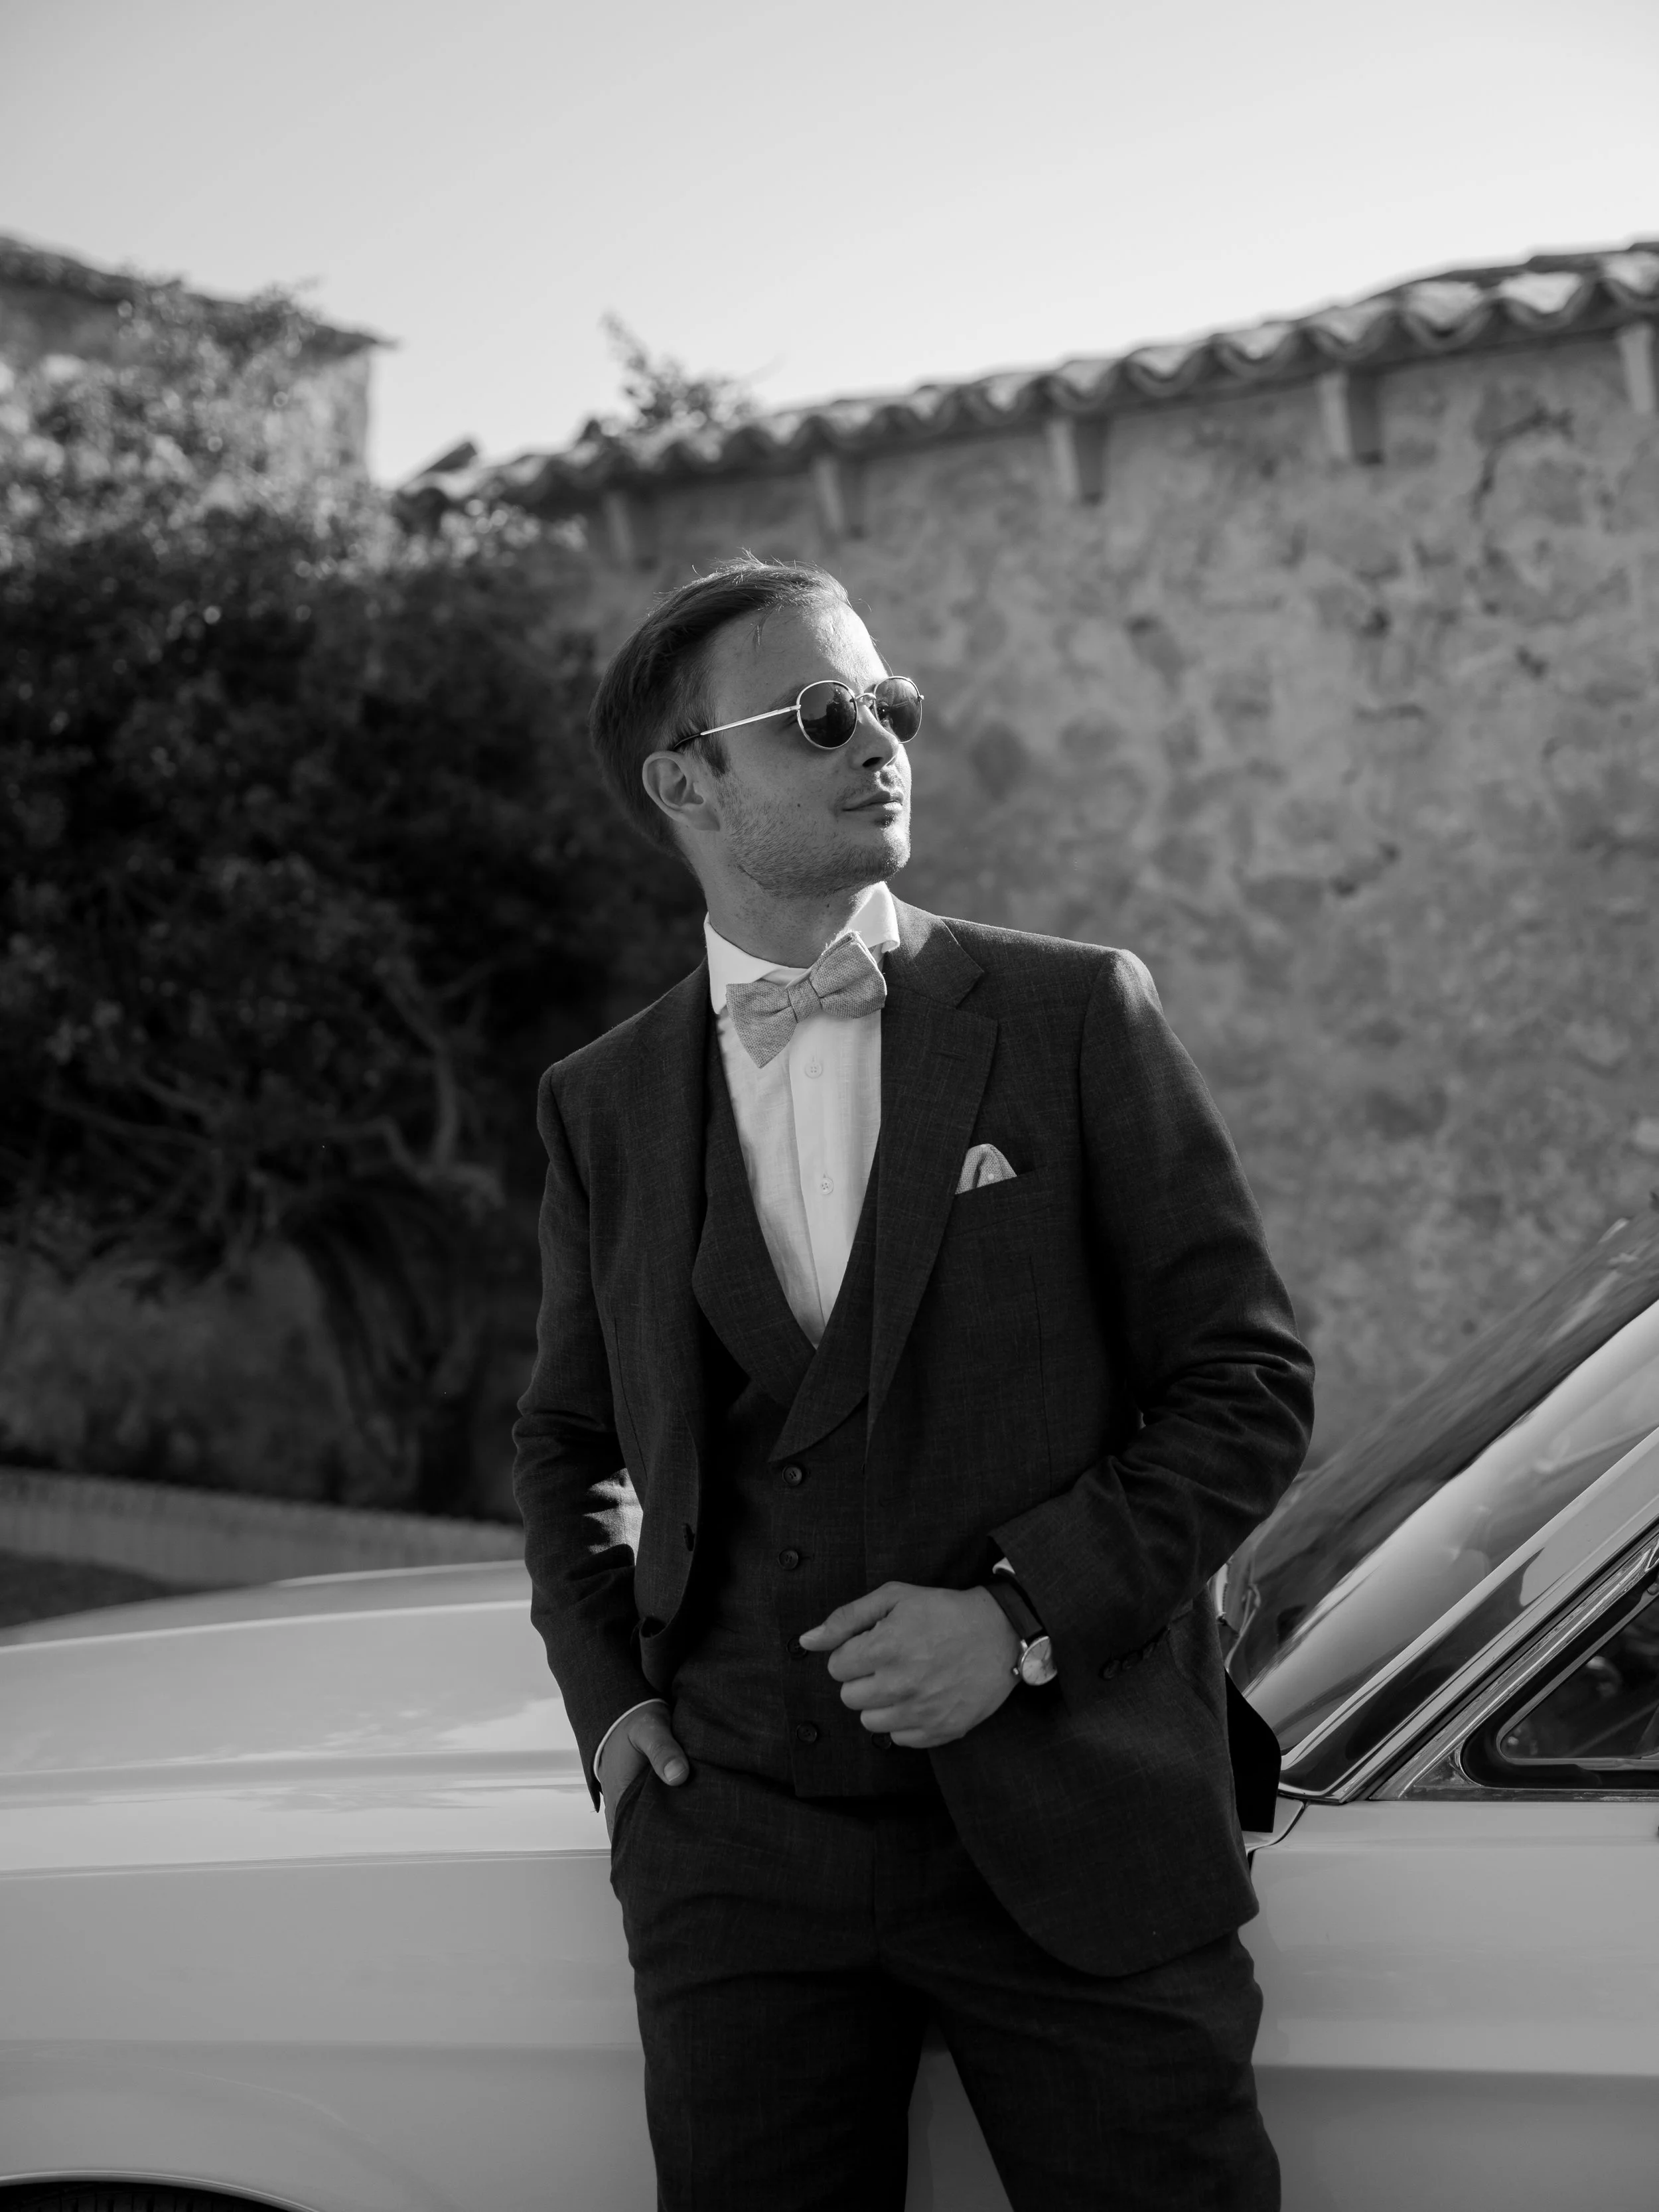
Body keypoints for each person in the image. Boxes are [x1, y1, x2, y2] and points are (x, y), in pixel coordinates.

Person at [512, 556, 1314, 2211]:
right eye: (819, 713)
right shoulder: (603, 1102)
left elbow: (1244, 1382)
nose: (878, 738)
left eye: (889, 703)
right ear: (685, 783)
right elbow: (567, 1437)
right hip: (736, 1851)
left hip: (1075, 1819)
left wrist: (1015, 1616)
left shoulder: (1071, 1014)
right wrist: (612, 1713)